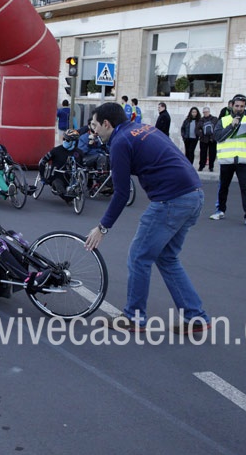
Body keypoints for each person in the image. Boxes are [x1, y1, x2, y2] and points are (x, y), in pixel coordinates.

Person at [84, 102, 210, 333]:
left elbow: (121, 193)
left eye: (95, 125)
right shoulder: (143, 128)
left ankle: (134, 317)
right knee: (167, 257)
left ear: (106, 123)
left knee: (139, 257)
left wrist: (102, 228)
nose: (94, 131)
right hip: (194, 195)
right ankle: (195, 317)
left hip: (170, 200)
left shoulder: (120, 142)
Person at [209, 94, 246, 226]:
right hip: (227, 160)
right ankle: (220, 210)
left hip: (243, 160)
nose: (239, 108)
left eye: (242, 106)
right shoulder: (223, 120)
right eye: (237, 106)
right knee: (223, 187)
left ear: (245, 107)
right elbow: (218, 137)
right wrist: (231, 126)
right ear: (232, 105)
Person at [38, 130, 83, 199]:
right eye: (63, 138)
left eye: (67, 140)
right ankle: (68, 198)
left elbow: (83, 166)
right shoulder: (56, 150)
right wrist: (42, 177)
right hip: (56, 178)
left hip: (72, 179)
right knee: (61, 189)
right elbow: (42, 161)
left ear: (74, 142)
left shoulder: (79, 153)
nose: (64, 141)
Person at [196, 106, 217, 171]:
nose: (205, 113)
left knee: (212, 153)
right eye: (204, 112)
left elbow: (217, 128)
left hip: (212, 139)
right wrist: (201, 135)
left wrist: (214, 136)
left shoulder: (214, 119)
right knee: (203, 153)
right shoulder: (201, 120)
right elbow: (197, 129)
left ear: (209, 112)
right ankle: (201, 166)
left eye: (206, 112)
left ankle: (211, 167)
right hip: (203, 139)